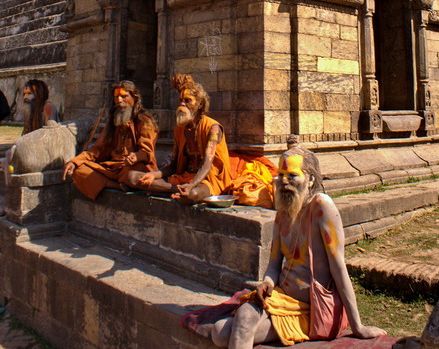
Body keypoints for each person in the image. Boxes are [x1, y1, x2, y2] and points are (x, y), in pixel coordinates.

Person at [210, 143, 386, 348]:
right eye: (281, 175)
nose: (284, 182)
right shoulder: (283, 211)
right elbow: (274, 265)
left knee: (242, 321)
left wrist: (358, 326)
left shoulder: (322, 207)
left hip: (311, 309)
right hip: (281, 298)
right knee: (219, 331)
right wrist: (267, 282)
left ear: (310, 180)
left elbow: (339, 269)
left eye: (292, 176)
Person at [131, 73, 233, 204]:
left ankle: (177, 191)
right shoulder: (179, 129)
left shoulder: (213, 128)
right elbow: (173, 166)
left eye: (187, 100)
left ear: (200, 104)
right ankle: (178, 190)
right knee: (133, 177)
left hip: (207, 180)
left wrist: (192, 185)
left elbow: (207, 164)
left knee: (193, 194)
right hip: (183, 178)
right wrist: (153, 175)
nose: (182, 104)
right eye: (180, 100)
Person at [62, 80, 158, 200]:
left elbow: (147, 153)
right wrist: (74, 161)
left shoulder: (145, 122)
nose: (119, 101)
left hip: (131, 168)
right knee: (79, 169)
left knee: (132, 175)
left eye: (124, 96)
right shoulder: (113, 122)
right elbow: (97, 149)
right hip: (112, 168)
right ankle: (116, 185)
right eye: (116, 97)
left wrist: (136, 157)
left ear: (134, 97)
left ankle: (113, 183)